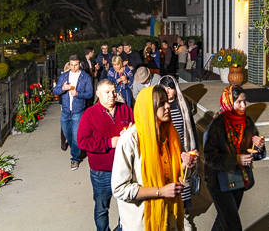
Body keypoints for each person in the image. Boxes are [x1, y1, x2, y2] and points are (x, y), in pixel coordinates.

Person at [111, 85, 198, 231]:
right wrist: (160, 191)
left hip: (169, 217)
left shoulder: (170, 134)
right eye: (162, 103)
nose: (168, 106)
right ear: (149, 108)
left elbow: (176, 176)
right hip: (144, 222)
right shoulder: (130, 140)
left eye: (167, 101)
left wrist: (186, 165)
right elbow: (120, 189)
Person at [203, 85, 266, 230]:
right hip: (218, 180)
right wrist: (236, 159)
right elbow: (210, 158)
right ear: (228, 102)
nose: (243, 106)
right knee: (233, 225)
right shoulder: (216, 126)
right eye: (238, 102)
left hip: (238, 177)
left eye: (245, 101)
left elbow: (254, 153)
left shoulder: (247, 122)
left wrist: (259, 147)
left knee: (224, 220)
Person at [78, 79, 134, 231]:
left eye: (114, 91)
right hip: (101, 172)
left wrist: (130, 133)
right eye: (107, 92)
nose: (112, 95)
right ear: (98, 93)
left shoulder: (126, 109)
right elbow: (82, 142)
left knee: (126, 205)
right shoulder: (89, 115)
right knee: (102, 207)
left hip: (125, 168)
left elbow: (136, 130)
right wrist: (110, 143)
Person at [159, 75, 198, 231]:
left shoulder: (182, 104)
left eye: (170, 88)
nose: (168, 92)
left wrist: (191, 149)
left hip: (183, 148)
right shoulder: (159, 105)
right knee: (169, 181)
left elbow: (190, 127)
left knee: (183, 182)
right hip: (167, 150)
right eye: (165, 89)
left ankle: (183, 214)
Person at [53, 54, 93, 171]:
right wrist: (63, 88)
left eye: (76, 65)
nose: (73, 67)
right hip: (65, 110)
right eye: (71, 65)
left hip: (78, 110)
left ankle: (74, 158)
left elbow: (90, 94)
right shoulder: (64, 76)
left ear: (79, 64)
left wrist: (78, 94)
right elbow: (55, 90)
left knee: (76, 136)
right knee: (67, 134)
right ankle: (76, 149)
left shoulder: (85, 77)